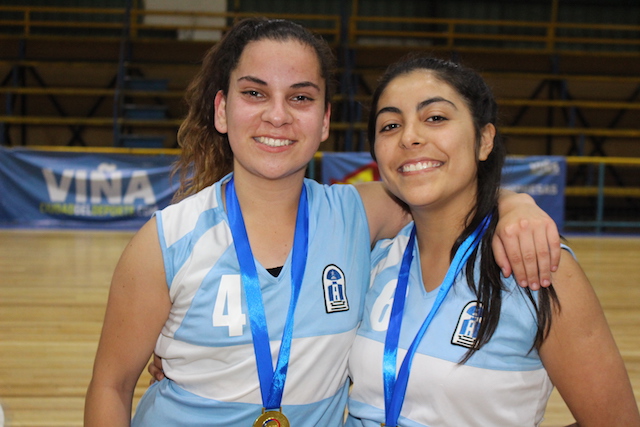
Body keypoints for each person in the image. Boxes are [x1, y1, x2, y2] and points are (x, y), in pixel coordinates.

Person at [84, 18, 561, 426]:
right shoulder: (167, 240)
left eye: (300, 97)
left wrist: (514, 204)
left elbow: (447, 192)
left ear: (325, 120)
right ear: (223, 110)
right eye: (254, 93)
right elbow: (111, 386)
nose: (277, 115)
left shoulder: (360, 213)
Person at [346, 55, 640, 427]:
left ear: (484, 140)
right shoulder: (373, 257)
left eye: (435, 117)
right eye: (390, 125)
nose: (409, 137)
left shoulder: (537, 264)